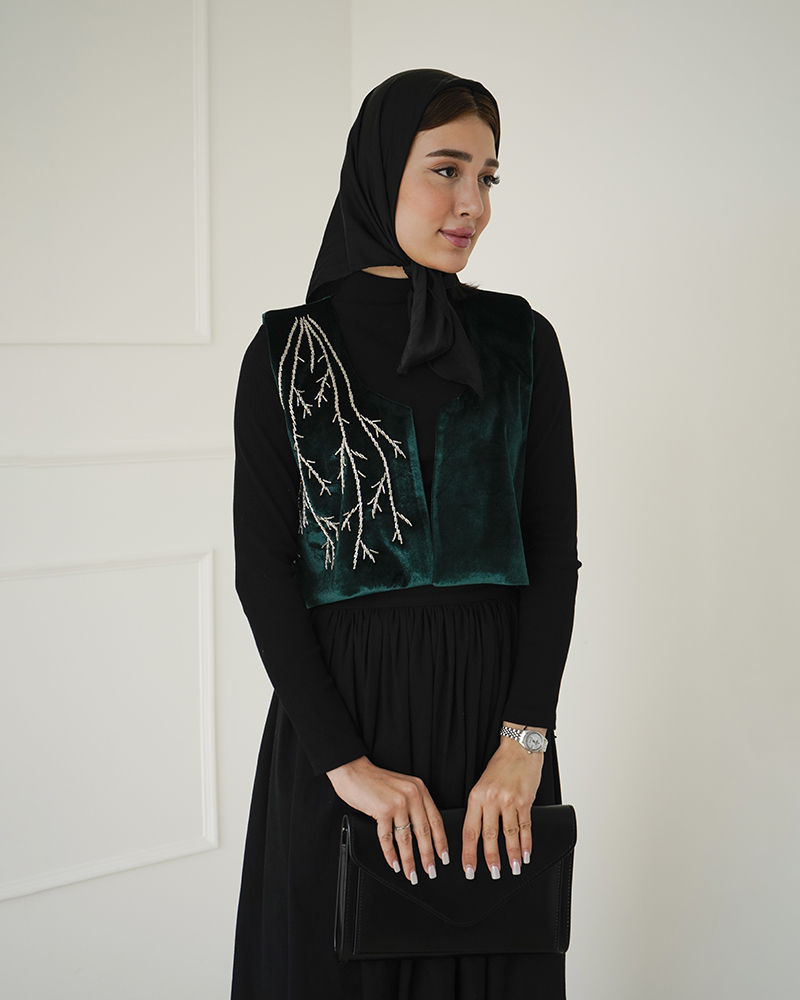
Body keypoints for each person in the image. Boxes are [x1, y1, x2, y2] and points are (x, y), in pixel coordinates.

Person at [231, 68, 579, 1000]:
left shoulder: (522, 342)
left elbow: (553, 555)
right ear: (379, 170)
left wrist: (524, 745)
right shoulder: (285, 354)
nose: (474, 205)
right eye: (447, 170)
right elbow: (264, 573)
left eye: (489, 178)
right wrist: (347, 767)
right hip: (340, 729)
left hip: (493, 729)